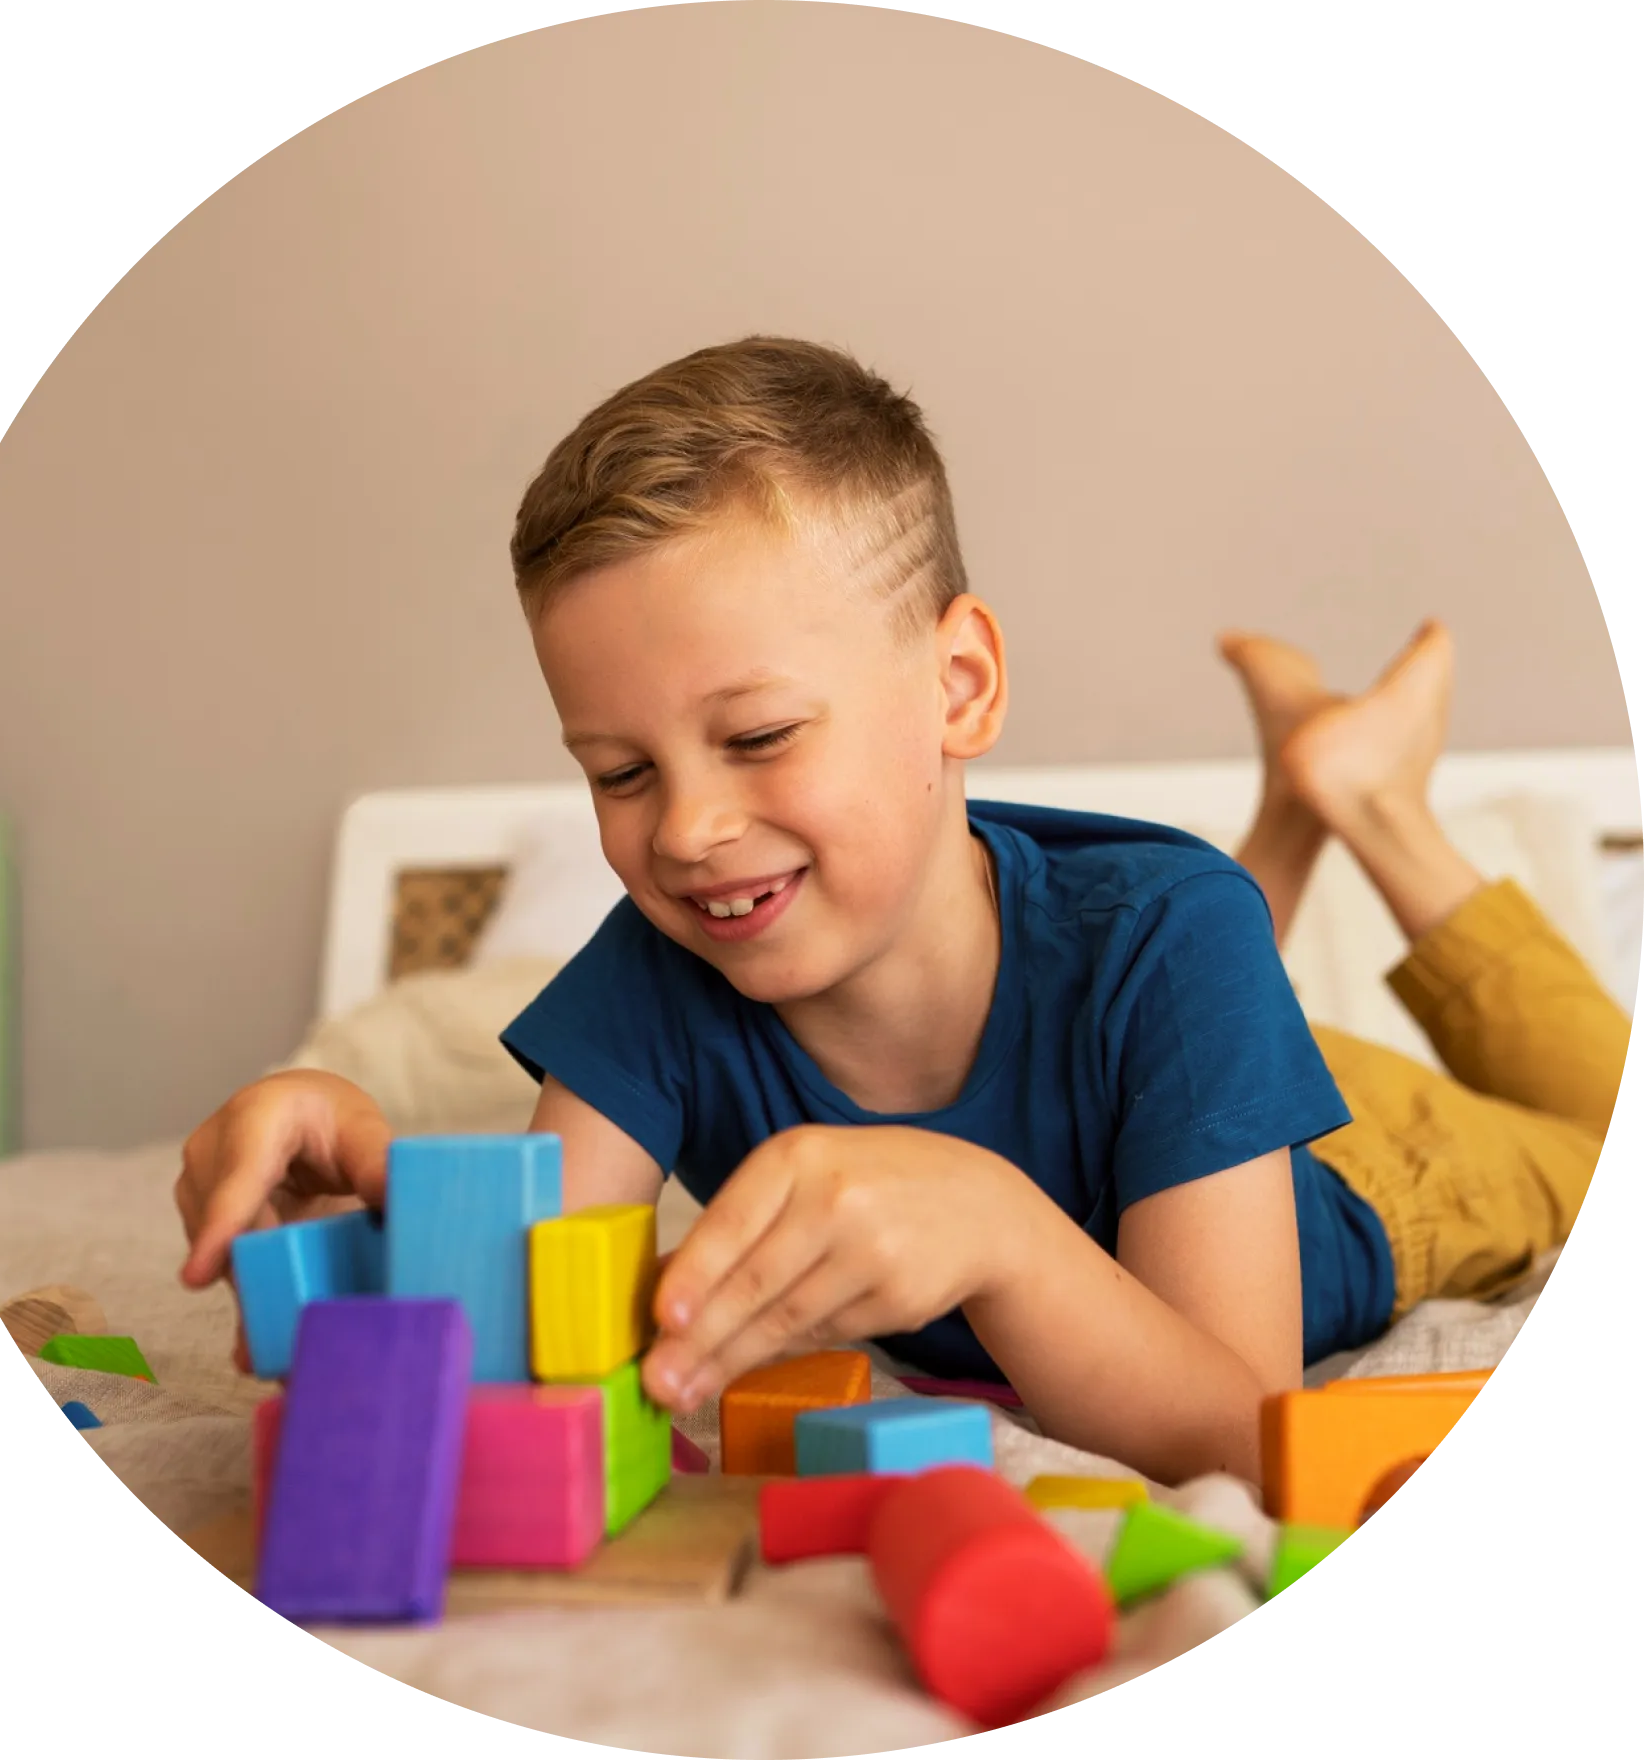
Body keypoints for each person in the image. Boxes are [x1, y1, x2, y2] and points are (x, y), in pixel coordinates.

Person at [173, 337, 1627, 1489]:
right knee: (1183, 953)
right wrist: (374, 1184)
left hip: (1382, 1167)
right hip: (1177, 1058)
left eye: (755, 740)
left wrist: (995, 1227)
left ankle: (1370, 803)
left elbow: (1235, 1428)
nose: (685, 832)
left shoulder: (1170, 933)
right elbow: (546, 1306)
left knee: (1589, 1113)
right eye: (620, 773)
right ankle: (1310, 803)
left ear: (961, 689)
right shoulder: (654, 974)